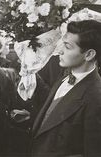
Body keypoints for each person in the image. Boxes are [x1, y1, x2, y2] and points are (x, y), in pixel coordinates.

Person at [31, 20, 101, 157]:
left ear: (89, 55)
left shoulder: (96, 97)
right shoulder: (64, 76)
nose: (59, 51)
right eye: (62, 44)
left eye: (67, 47)